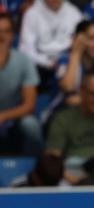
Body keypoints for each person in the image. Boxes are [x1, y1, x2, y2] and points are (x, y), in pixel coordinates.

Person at [0, 11, 42, 156]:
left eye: (6, 31)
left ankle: (34, 166)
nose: (2, 37)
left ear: (12, 35)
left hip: (14, 116)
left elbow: (29, 105)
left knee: (30, 125)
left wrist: (3, 116)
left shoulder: (24, 61)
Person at [19, 0, 82, 87]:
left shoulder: (74, 13)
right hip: (39, 65)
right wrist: (47, 62)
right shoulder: (31, 13)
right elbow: (25, 50)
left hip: (66, 61)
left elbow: (80, 43)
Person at [55, 20, 94, 108]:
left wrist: (84, 100)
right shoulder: (64, 58)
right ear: (77, 39)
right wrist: (76, 53)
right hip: (61, 112)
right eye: (91, 38)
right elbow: (68, 87)